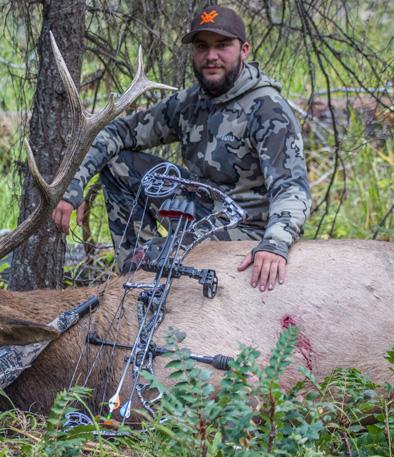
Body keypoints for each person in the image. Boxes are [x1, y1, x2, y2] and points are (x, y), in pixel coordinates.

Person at [52, 5, 311, 292]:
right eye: (202, 47)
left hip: (245, 228)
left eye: (222, 46)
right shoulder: (190, 102)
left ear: (244, 50)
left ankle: (147, 276)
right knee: (118, 163)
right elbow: (119, 132)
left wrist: (274, 243)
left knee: (165, 260)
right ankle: (135, 274)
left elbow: (291, 188)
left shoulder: (268, 110)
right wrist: (72, 187)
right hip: (202, 209)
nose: (211, 56)